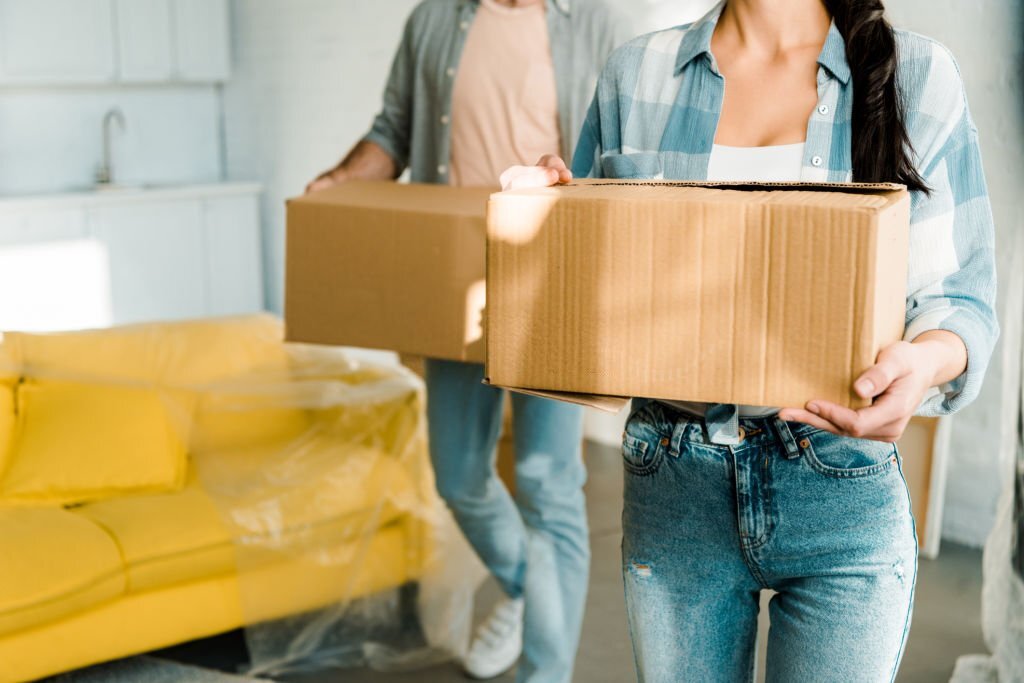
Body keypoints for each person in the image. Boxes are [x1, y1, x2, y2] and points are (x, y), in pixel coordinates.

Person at [501, 0, 999, 680]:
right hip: (674, 487)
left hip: (839, 483)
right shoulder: (636, 74)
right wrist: (547, 218)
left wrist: (922, 361)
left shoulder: (918, 74)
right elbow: (592, 294)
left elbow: (960, 300)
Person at [306, 1, 631, 681]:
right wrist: (339, 184)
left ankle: (545, 668)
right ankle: (531, 590)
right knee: (457, 472)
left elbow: (618, 155)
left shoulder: (593, 23)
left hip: (555, 279)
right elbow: (391, 132)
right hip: (454, 277)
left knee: (548, 482)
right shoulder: (434, 19)